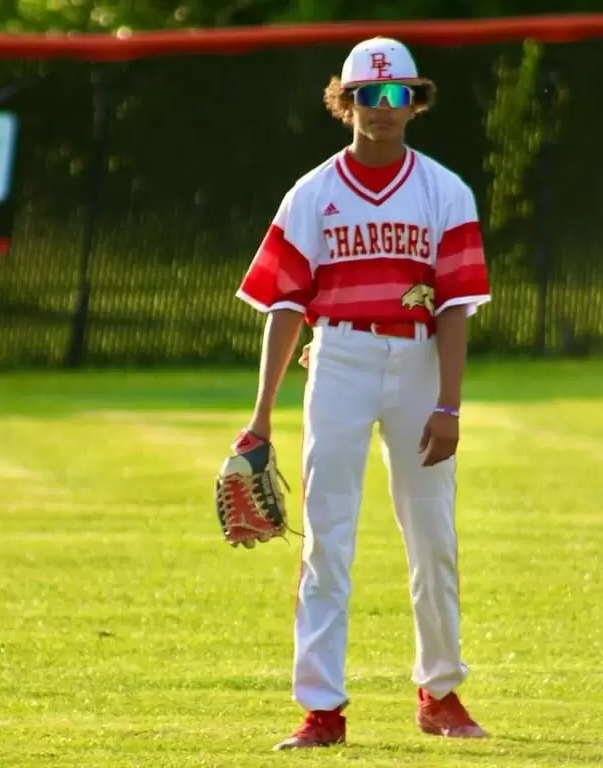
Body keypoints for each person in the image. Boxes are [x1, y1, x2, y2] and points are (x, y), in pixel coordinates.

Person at [233, 36, 491, 750]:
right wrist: (260, 419)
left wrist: (449, 405)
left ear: (415, 101)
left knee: (432, 534)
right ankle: (322, 710)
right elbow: (286, 305)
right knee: (327, 535)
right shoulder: (313, 192)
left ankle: (440, 693)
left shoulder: (444, 190)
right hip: (339, 357)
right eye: (367, 94)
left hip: (418, 362)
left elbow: (455, 308)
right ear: (344, 102)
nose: (381, 106)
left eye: (395, 93)